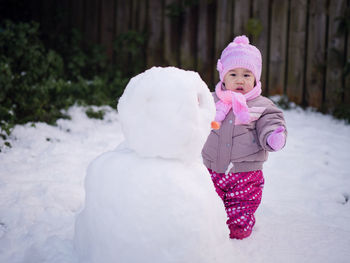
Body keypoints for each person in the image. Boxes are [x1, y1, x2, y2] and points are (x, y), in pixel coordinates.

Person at [202, 35, 287, 240]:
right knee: (207, 207)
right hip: (211, 170)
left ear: (256, 78)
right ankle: (207, 228)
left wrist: (272, 137)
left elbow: (272, 122)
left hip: (246, 175)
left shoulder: (261, 105)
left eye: (247, 75)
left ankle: (238, 233)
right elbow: (195, 118)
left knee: (241, 209)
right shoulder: (210, 101)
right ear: (223, 76)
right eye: (233, 74)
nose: (240, 80)